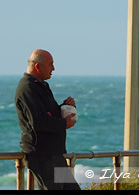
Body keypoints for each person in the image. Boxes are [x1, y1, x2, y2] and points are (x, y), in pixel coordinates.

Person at [15, 49, 81, 190]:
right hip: (42, 155)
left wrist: (64, 108)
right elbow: (38, 121)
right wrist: (64, 123)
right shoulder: (28, 87)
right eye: (50, 64)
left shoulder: (40, 85)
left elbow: (48, 113)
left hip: (54, 154)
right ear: (38, 67)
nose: (53, 68)